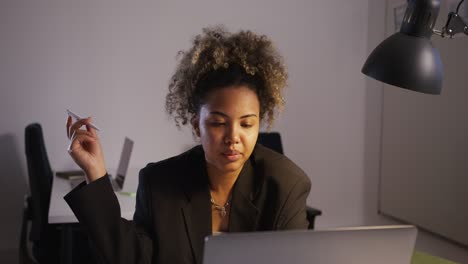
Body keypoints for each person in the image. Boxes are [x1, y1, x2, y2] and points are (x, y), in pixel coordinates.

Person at [64, 26, 311, 264]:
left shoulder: (286, 185)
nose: (233, 137)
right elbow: (130, 258)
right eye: (217, 123)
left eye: (246, 124)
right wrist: (95, 175)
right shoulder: (159, 183)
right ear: (196, 126)